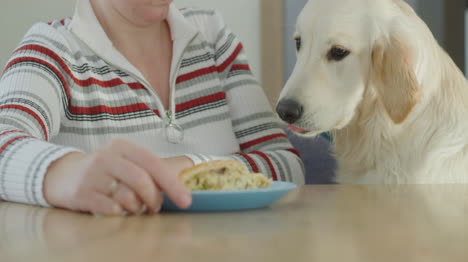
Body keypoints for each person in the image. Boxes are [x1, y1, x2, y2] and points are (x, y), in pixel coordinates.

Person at [0, 0, 305, 216]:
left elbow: (286, 166)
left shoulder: (211, 37)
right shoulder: (52, 49)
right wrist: (66, 172)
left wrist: (186, 171)